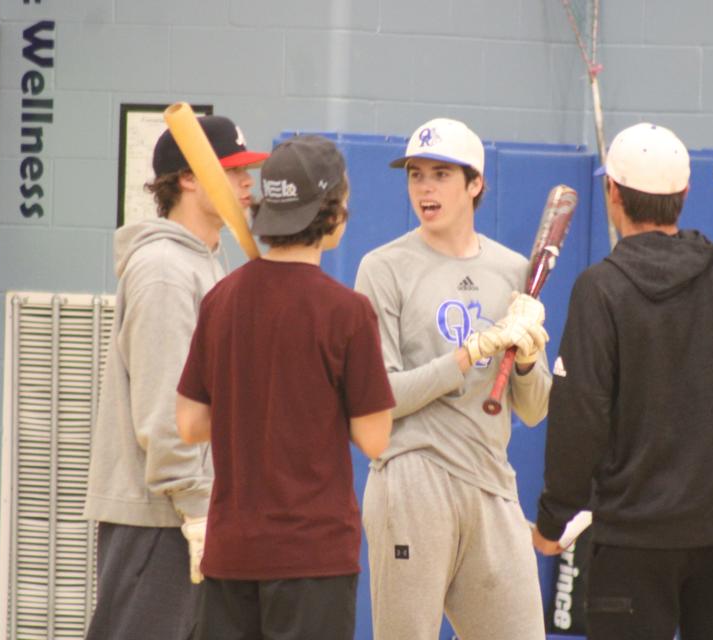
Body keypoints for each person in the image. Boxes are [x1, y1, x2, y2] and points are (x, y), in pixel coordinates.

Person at [532, 123, 713, 640]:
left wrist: (554, 518)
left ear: (612, 193)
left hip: (632, 542)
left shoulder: (599, 290)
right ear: (685, 195)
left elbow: (579, 415)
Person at [175, 134, 394, 640]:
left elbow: (189, 425)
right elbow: (375, 438)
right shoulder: (347, 312)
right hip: (312, 557)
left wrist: (251, 405)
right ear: (332, 212)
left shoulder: (220, 300)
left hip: (231, 554)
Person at [354, 117, 552, 640]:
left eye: (441, 174)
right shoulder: (383, 268)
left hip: (491, 484)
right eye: (416, 175)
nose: (424, 188)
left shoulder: (514, 271)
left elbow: (533, 410)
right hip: (412, 478)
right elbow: (382, 397)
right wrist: (465, 358)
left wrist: (527, 360)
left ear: (475, 184)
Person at [83, 115, 267, 640]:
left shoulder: (211, 263)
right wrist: (196, 511)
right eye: (233, 172)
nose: (247, 184)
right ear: (188, 178)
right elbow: (165, 411)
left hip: (197, 512)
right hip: (160, 519)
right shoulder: (163, 269)